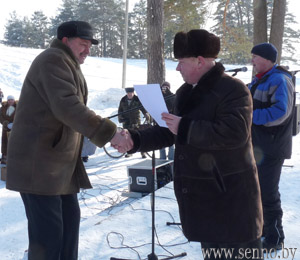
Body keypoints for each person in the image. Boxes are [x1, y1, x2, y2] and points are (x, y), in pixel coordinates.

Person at [114, 29, 264, 260]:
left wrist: (185, 126)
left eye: (181, 62)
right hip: (204, 199)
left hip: (231, 201)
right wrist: (135, 139)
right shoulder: (185, 92)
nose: (177, 68)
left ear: (200, 61)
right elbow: (170, 130)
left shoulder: (234, 90)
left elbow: (234, 134)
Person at [6, 20, 132, 260]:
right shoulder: (52, 59)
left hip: (58, 168)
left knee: (67, 230)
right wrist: (110, 133)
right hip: (40, 168)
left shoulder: (66, 62)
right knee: (49, 239)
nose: (88, 50)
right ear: (65, 41)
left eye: (90, 45)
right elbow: (68, 107)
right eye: (83, 44)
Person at [248, 43, 294, 251]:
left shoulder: (279, 79)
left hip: (272, 147)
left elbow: (280, 112)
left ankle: (275, 238)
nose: (252, 61)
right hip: (259, 146)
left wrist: (250, 117)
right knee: (257, 192)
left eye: (255, 57)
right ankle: (263, 231)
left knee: (267, 193)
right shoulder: (259, 80)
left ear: (267, 59)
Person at [118, 87, 150, 158]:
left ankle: (143, 152)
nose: (130, 94)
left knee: (139, 137)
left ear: (133, 93)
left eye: (131, 93)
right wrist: (120, 118)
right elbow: (120, 110)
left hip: (135, 122)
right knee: (127, 138)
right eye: (128, 93)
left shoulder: (137, 99)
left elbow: (143, 108)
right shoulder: (123, 100)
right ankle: (129, 152)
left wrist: (146, 114)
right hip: (126, 122)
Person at [159, 81, 175, 160]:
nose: (165, 89)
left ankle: (171, 161)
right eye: (163, 87)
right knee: (161, 142)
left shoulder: (171, 95)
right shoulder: (159, 96)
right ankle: (162, 160)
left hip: (170, 122)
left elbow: (173, 104)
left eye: (167, 87)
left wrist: (168, 93)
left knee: (171, 143)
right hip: (161, 121)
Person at [0, 95, 17, 164]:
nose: (10, 101)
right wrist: (6, 123)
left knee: (15, 141)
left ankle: (14, 156)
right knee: (5, 141)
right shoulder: (3, 108)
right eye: (9, 100)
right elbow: (0, 116)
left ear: (14, 100)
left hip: (16, 127)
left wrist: (14, 123)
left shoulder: (18, 107)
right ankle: (4, 156)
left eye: (11, 100)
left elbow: (20, 115)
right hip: (5, 127)